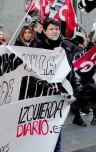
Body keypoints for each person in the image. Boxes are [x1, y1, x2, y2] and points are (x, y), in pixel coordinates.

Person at [33, 18, 78, 152]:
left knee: (55, 134)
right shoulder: (36, 46)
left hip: (59, 97)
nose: (55, 31)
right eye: (51, 29)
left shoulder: (66, 46)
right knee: (39, 136)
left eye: (57, 29)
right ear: (44, 31)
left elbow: (70, 73)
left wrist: (73, 93)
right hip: (40, 98)